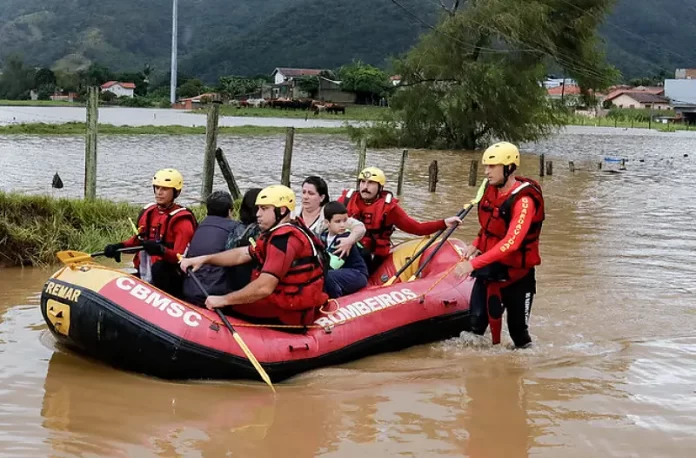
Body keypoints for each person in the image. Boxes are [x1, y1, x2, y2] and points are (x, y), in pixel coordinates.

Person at [179, 184, 328, 327]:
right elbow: (241, 254)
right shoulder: (276, 232)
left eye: (264, 209)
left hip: (288, 313)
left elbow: (264, 287)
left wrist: (223, 300)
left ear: (282, 210)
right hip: (281, 302)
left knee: (225, 308)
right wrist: (204, 259)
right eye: (258, 209)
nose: (257, 214)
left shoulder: (283, 241)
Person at [455, 142, 545, 348]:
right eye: (485, 166)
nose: (486, 172)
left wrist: (473, 264)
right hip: (490, 269)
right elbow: (490, 226)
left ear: (509, 168)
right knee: (475, 326)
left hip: (517, 275)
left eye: (492, 167)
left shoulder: (524, 201)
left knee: (518, 335)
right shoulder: (490, 189)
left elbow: (512, 243)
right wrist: (476, 243)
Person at [338, 167, 461, 273]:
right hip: (347, 247)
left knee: (363, 255)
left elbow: (416, 228)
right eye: (363, 182)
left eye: (371, 183)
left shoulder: (389, 209)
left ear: (380, 187)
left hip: (372, 254)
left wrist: (444, 223)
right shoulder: (346, 200)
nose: (365, 187)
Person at [104, 168, 196, 297]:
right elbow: (137, 241)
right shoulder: (149, 212)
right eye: (157, 188)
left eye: (164, 189)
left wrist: (161, 250)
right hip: (146, 273)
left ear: (175, 192)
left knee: (159, 268)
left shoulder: (182, 221)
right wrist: (118, 247)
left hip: (170, 277)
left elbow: (180, 257)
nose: (159, 193)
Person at [181, 191, 240, 306]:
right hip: (214, 294)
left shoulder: (200, 226)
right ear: (229, 211)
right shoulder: (235, 229)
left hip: (190, 289)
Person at [297, 175, 366, 258]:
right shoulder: (293, 214)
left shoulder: (330, 213)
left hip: (321, 259)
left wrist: (349, 240)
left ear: (322, 197)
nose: (305, 197)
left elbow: (360, 227)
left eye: (311, 193)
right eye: (304, 192)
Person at [320, 201, 369, 298]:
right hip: (342, 273)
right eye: (338, 221)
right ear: (327, 222)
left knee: (326, 275)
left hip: (357, 274)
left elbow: (334, 264)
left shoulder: (344, 237)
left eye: (345, 220)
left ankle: (336, 299)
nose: (342, 225)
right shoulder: (323, 236)